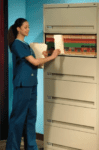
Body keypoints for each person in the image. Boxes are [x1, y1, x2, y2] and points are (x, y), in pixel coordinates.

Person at [6, 18, 60, 150]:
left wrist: (45, 55)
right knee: (18, 119)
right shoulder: (17, 44)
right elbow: (35, 62)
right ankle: (12, 148)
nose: (28, 29)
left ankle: (31, 147)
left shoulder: (26, 45)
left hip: (31, 84)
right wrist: (52, 57)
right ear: (18, 28)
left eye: (28, 27)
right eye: (25, 27)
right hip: (23, 85)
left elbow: (37, 61)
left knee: (31, 117)